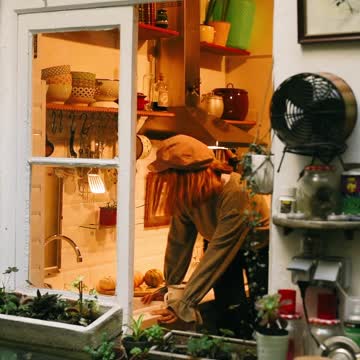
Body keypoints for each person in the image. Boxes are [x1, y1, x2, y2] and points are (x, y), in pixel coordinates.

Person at [141, 134, 257, 338]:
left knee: (255, 315)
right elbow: (179, 242)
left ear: (186, 176)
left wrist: (184, 303)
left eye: (169, 179)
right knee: (226, 319)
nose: (167, 185)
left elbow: (219, 252)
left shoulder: (236, 192)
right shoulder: (188, 194)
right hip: (220, 248)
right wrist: (170, 286)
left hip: (257, 252)